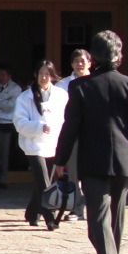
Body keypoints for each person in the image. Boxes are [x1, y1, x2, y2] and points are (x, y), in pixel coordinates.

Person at [54, 30, 128, 254]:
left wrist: (61, 159)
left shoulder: (81, 86)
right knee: (117, 215)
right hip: (125, 158)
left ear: (94, 56)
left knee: (97, 216)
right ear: (119, 55)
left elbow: (71, 126)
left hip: (93, 158)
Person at [14, 61, 68, 231]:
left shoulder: (61, 95)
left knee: (45, 183)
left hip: (53, 143)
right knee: (44, 182)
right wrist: (39, 127)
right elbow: (19, 122)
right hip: (33, 144)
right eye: (40, 74)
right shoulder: (25, 97)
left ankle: (32, 212)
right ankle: (50, 217)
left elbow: (66, 118)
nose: (43, 77)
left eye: (47, 74)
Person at [54, 50, 92, 219]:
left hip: (93, 133)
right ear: (71, 64)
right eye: (76, 61)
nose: (79, 64)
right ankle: (77, 208)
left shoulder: (96, 82)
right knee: (74, 173)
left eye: (82, 61)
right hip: (72, 133)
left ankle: (93, 207)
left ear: (90, 63)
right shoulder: (62, 85)